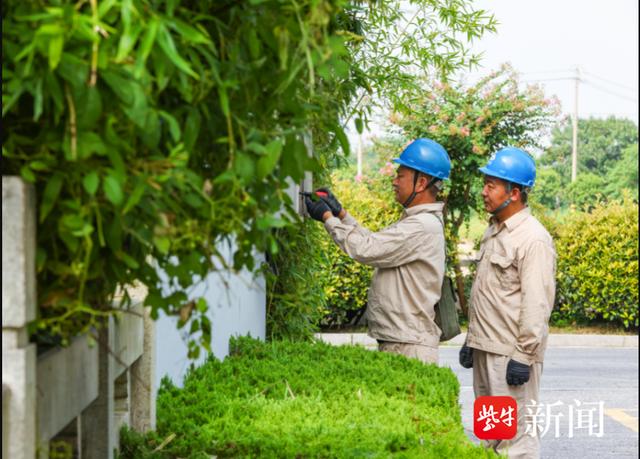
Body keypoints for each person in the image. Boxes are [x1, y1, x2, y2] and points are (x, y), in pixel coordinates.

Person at [304, 138, 451, 364]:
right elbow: (376, 243)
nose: (394, 181)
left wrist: (327, 218)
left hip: (408, 346)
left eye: (400, 175)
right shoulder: (418, 221)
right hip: (404, 341)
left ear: (421, 183)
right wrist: (341, 214)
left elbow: (366, 249)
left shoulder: (421, 226)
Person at [459, 147, 557, 458]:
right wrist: (472, 340)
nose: (484, 191)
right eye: (485, 184)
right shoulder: (494, 230)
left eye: (491, 185)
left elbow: (537, 303)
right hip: (488, 350)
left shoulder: (533, 239)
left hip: (510, 357)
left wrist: (524, 355)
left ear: (513, 193)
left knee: (516, 444)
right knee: (492, 437)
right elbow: (489, 294)